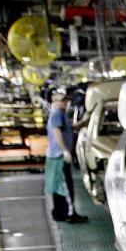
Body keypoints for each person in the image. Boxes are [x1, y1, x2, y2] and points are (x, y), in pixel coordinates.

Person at [45, 89, 87, 224]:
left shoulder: (59, 115)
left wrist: (84, 122)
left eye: (66, 100)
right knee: (66, 187)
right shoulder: (57, 114)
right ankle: (70, 214)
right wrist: (65, 150)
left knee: (58, 186)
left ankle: (59, 213)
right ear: (55, 101)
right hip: (59, 156)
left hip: (54, 156)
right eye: (62, 100)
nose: (66, 102)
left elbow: (71, 128)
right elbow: (57, 133)